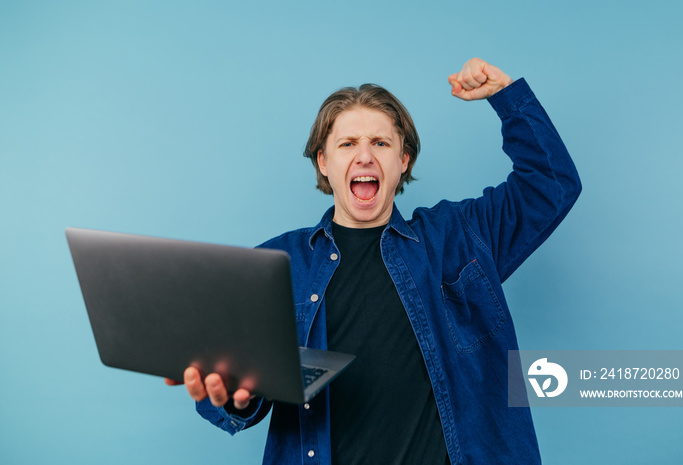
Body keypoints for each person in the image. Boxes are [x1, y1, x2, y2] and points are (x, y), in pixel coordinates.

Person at [166, 57, 582, 464]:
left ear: (403, 161)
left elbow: (553, 184)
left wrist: (506, 98)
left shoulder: (461, 235)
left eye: (380, 143)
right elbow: (228, 391)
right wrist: (238, 400)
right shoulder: (274, 266)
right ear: (324, 163)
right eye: (347, 144)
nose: (364, 156)